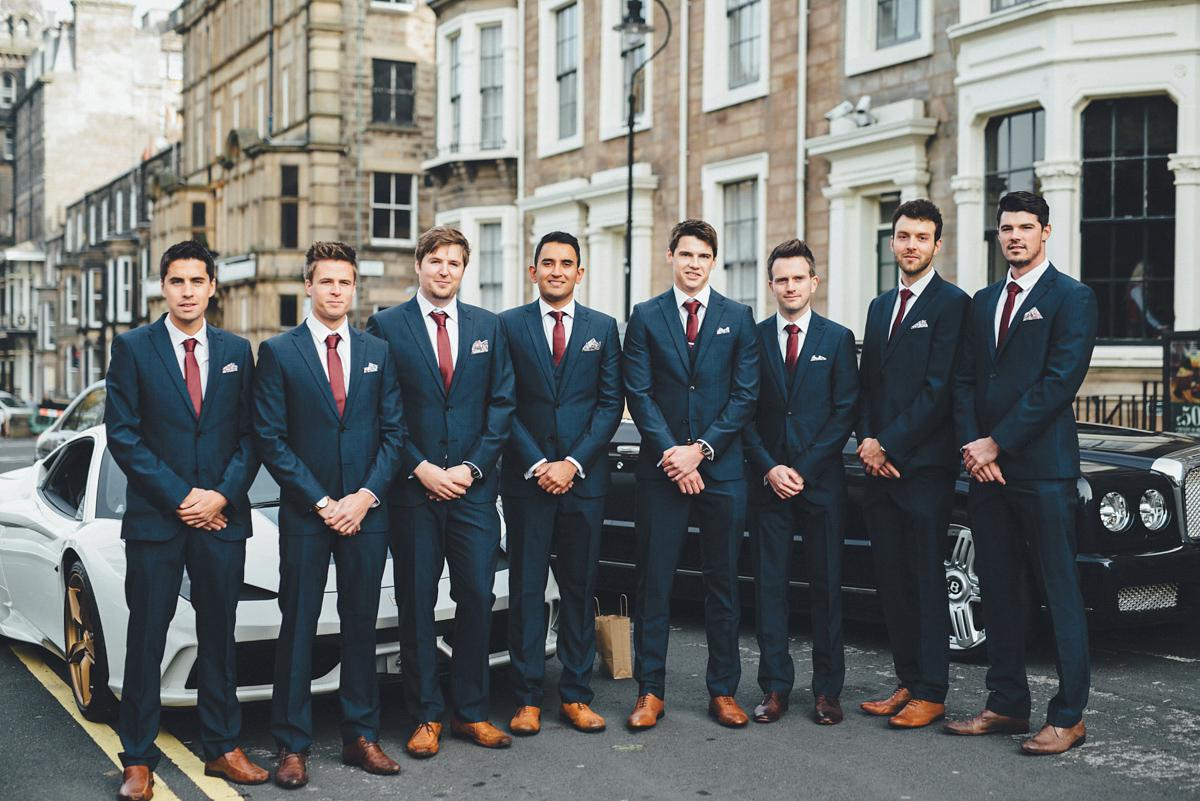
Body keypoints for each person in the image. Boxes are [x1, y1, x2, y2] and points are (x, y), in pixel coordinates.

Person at [104, 241, 266, 801]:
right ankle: (139, 760)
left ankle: (223, 748)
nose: (188, 291)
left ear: (213, 287)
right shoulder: (132, 348)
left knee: (219, 637)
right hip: (157, 520)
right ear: (163, 287)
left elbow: (251, 436)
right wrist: (182, 497)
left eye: (198, 281)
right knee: (146, 638)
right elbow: (124, 435)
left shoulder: (237, 350)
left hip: (222, 519)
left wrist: (220, 496)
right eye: (177, 281)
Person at [947, 191, 1098, 755]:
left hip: (1042, 470)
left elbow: (1059, 383)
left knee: (1059, 592)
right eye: (1006, 227)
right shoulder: (984, 300)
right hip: (986, 475)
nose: (1014, 236)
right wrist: (972, 445)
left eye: (1026, 227)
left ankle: (1069, 715)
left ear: (1046, 233)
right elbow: (965, 381)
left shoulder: (1072, 298)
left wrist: (996, 443)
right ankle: (1006, 704)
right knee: (1002, 592)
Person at [253, 242, 407, 787]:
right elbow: (271, 440)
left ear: (353, 288)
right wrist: (322, 502)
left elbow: (395, 434)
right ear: (309, 287)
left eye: (345, 282)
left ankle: (360, 737)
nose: (336, 291)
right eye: (327, 282)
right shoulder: (278, 352)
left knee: (362, 626)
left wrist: (364, 497)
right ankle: (291, 747)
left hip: (365, 515)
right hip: (305, 515)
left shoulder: (376, 351)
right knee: (297, 627)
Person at [366, 226, 516, 756]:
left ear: (463, 269)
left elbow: (501, 406)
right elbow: (381, 410)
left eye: (454, 262)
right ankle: (426, 714)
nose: (444, 270)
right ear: (418, 264)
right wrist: (420, 468)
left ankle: (470, 713)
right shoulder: (384, 325)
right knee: (416, 602)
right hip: (415, 492)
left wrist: (473, 468)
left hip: (474, 492)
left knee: (476, 595)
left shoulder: (488, 326)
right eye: (435, 261)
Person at [622, 219, 759, 730]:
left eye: (702, 255)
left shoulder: (738, 317)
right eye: (685, 254)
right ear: (671, 256)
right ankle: (649, 692)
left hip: (721, 473)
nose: (693, 262)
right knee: (654, 585)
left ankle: (723, 691)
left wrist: (699, 451)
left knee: (722, 583)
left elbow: (746, 395)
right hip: (661, 473)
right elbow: (639, 393)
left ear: (713, 260)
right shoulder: (645, 316)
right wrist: (673, 456)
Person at [499, 231, 623, 736]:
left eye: (565, 263)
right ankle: (526, 697)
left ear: (580, 272)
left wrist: (572, 462)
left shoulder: (603, 328)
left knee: (578, 588)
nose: (556, 270)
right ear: (533, 272)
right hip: (528, 483)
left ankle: (575, 694)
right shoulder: (507, 326)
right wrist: (537, 464)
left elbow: (610, 403)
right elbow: (502, 402)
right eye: (546, 263)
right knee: (526, 590)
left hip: (583, 482)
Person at [856, 200, 969, 728]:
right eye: (902, 236)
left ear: (936, 245)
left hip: (923, 469)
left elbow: (939, 389)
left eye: (921, 238)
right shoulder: (880, 306)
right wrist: (866, 442)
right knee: (893, 580)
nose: (910, 245)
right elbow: (866, 387)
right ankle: (907, 680)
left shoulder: (953, 304)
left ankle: (932, 690)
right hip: (878, 470)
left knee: (925, 580)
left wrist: (890, 446)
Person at [742, 239, 858, 726]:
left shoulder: (837, 338)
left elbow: (844, 412)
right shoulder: (753, 338)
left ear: (814, 281)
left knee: (825, 590)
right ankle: (774, 688)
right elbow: (742, 409)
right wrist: (770, 466)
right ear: (771, 286)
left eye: (798, 278)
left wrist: (802, 470)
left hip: (821, 486)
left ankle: (828, 692)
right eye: (781, 279)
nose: (790, 286)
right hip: (768, 484)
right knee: (770, 589)